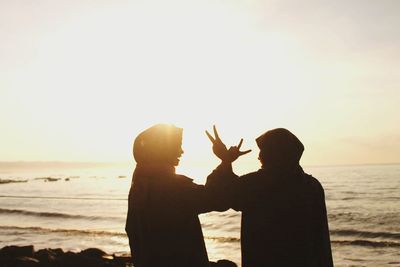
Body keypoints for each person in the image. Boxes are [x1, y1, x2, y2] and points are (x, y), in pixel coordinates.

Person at [206, 126, 334, 267]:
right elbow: (321, 237)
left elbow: (217, 195)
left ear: (273, 154)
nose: (259, 156)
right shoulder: (312, 186)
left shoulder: (256, 184)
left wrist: (225, 160)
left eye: (263, 151)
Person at [125, 124, 249, 267]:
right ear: (161, 150)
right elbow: (216, 199)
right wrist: (225, 161)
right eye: (177, 146)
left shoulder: (140, 186)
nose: (181, 151)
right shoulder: (172, 186)